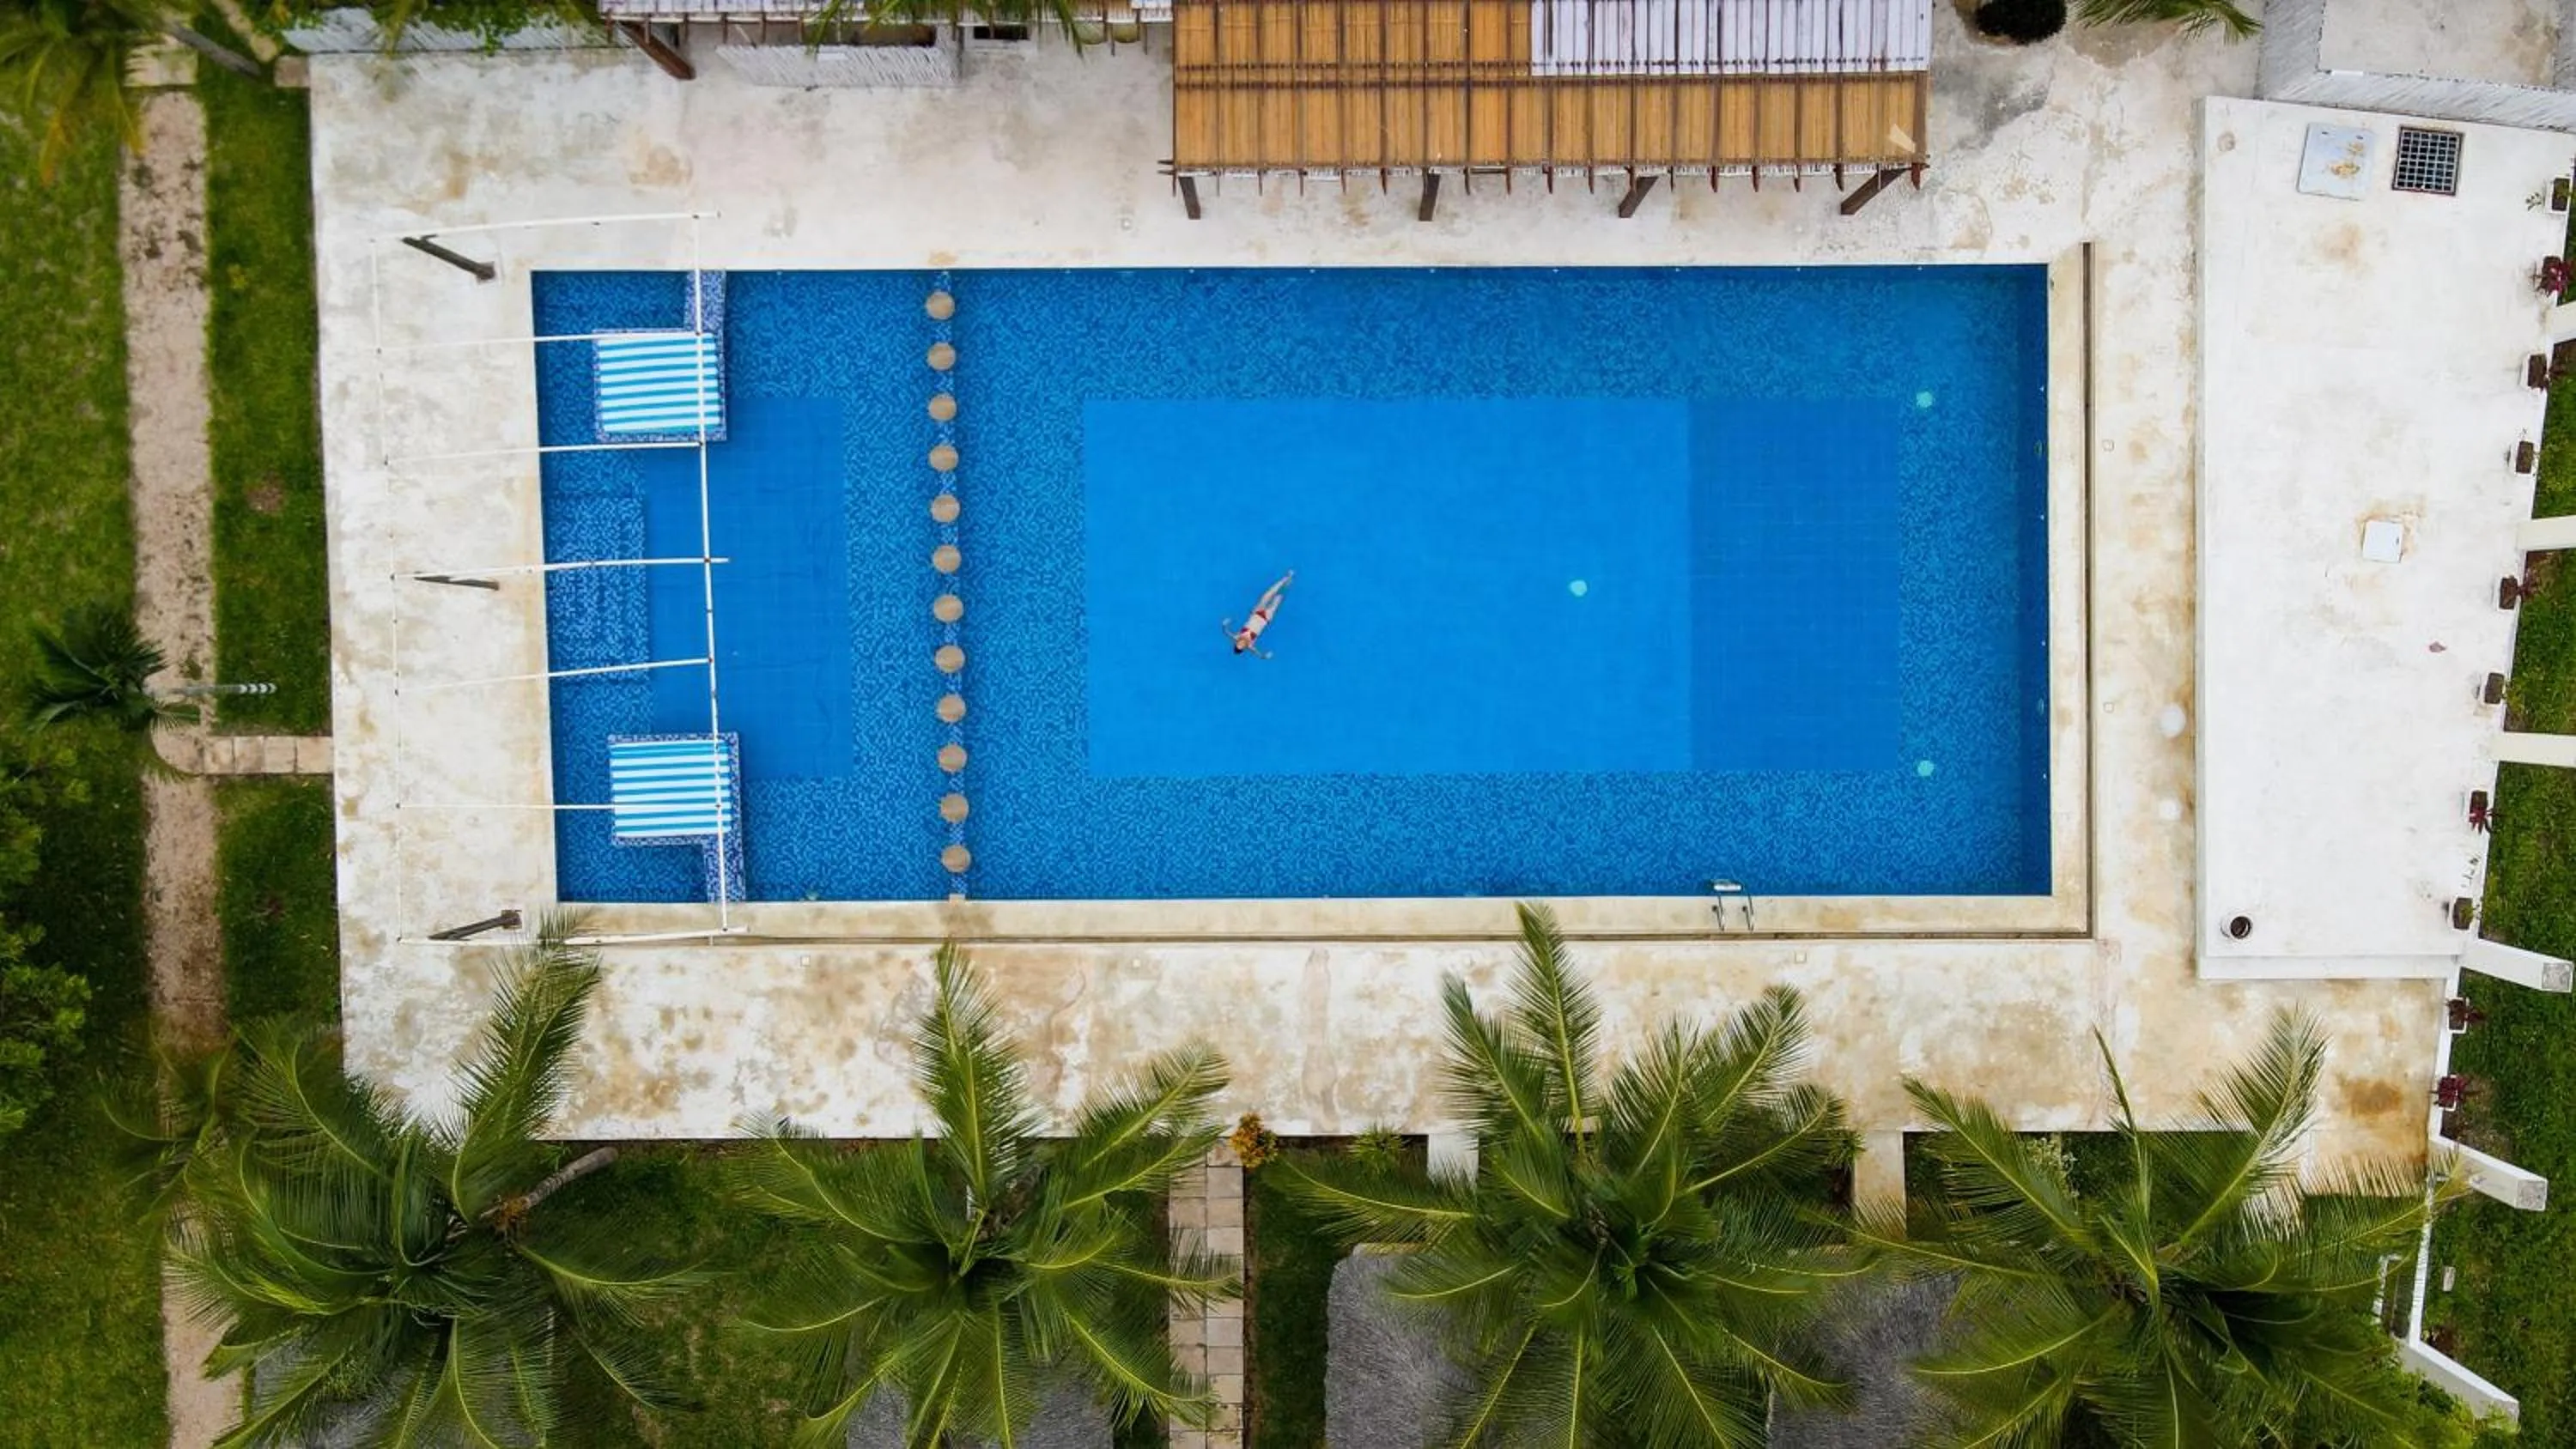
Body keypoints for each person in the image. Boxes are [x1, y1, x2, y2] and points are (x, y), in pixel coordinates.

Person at [1223, 570, 1293, 658]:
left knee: (1268, 594)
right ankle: (1288, 582)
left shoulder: (1236, 637)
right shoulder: (1250, 646)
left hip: (1256, 612)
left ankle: (1285, 578)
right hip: (1266, 617)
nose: (1241, 643)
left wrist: (1225, 624)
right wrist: (1266, 656)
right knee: (1278, 599)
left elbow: (1226, 632)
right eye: (1242, 646)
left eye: (1238, 643)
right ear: (1244, 648)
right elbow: (1259, 655)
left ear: (1236, 642)